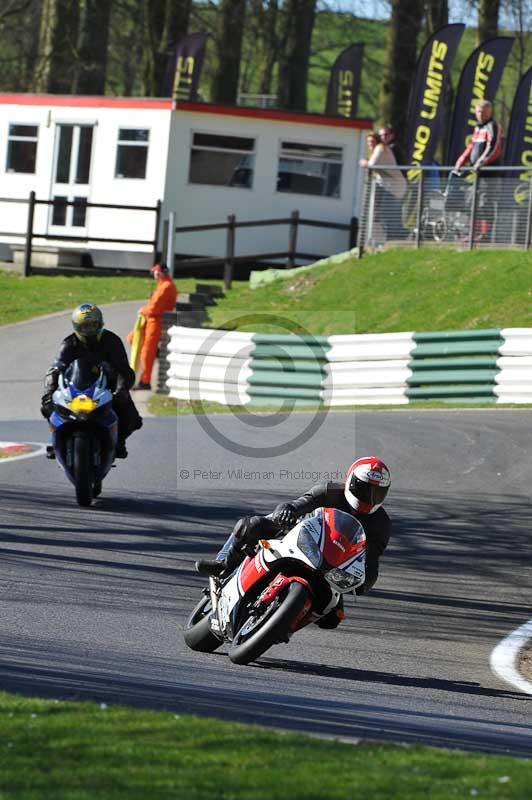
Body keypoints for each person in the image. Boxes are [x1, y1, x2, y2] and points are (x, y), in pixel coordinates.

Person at [196, 457, 392, 629]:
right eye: (364, 488)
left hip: (331, 564)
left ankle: (284, 624)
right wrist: (286, 512)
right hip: (299, 536)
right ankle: (223, 564)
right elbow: (295, 505)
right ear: (350, 481)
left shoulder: (381, 524)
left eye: (377, 493)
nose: (369, 497)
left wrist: (364, 582)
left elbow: (371, 560)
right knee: (252, 525)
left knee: (332, 618)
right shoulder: (328, 491)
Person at [40, 303, 142, 459]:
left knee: (131, 418)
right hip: (75, 389)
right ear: (76, 327)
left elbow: (124, 370)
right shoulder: (69, 343)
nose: (89, 331)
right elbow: (54, 370)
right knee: (49, 407)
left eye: (93, 326)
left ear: (100, 324)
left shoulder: (112, 341)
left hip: (107, 388)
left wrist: (121, 390)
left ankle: (118, 441)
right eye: (84, 327)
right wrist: (48, 394)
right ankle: (58, 442)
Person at [454, 100, 503, 242]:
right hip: (477, 174)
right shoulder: (478, 128)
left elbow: (494, 148)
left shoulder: (492, 126)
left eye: (484, 112)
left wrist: (481, 162)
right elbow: (471, 147)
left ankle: (485, 235)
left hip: (489, 173)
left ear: (490, 112)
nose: (481, 114)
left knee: (484, 203)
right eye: (479, 111)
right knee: (471, 201)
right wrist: (461, 160)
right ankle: (472, 233)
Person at [129, 263, 177, 391]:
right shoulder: (163, 285)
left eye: (155, 273)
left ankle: (145, 381)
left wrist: (143, 311)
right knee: (132, 338)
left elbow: (154, 308)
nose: (154, 275)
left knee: (147, 353)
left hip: (156, 321)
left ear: (160, 273)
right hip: (150, 320)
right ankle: (158, 353)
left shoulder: (166, 286)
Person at [360, 131, 407, 243]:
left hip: (395, 187)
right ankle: (396, 239)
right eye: (368, 142)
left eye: (372, 141)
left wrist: (364, 163)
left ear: (377, 141)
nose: (370, 144)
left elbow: (372, 164)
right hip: (393, 187)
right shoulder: (381, 148)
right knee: (391, 215)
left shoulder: (380, 148)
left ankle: (400, 238)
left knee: (387, 214)